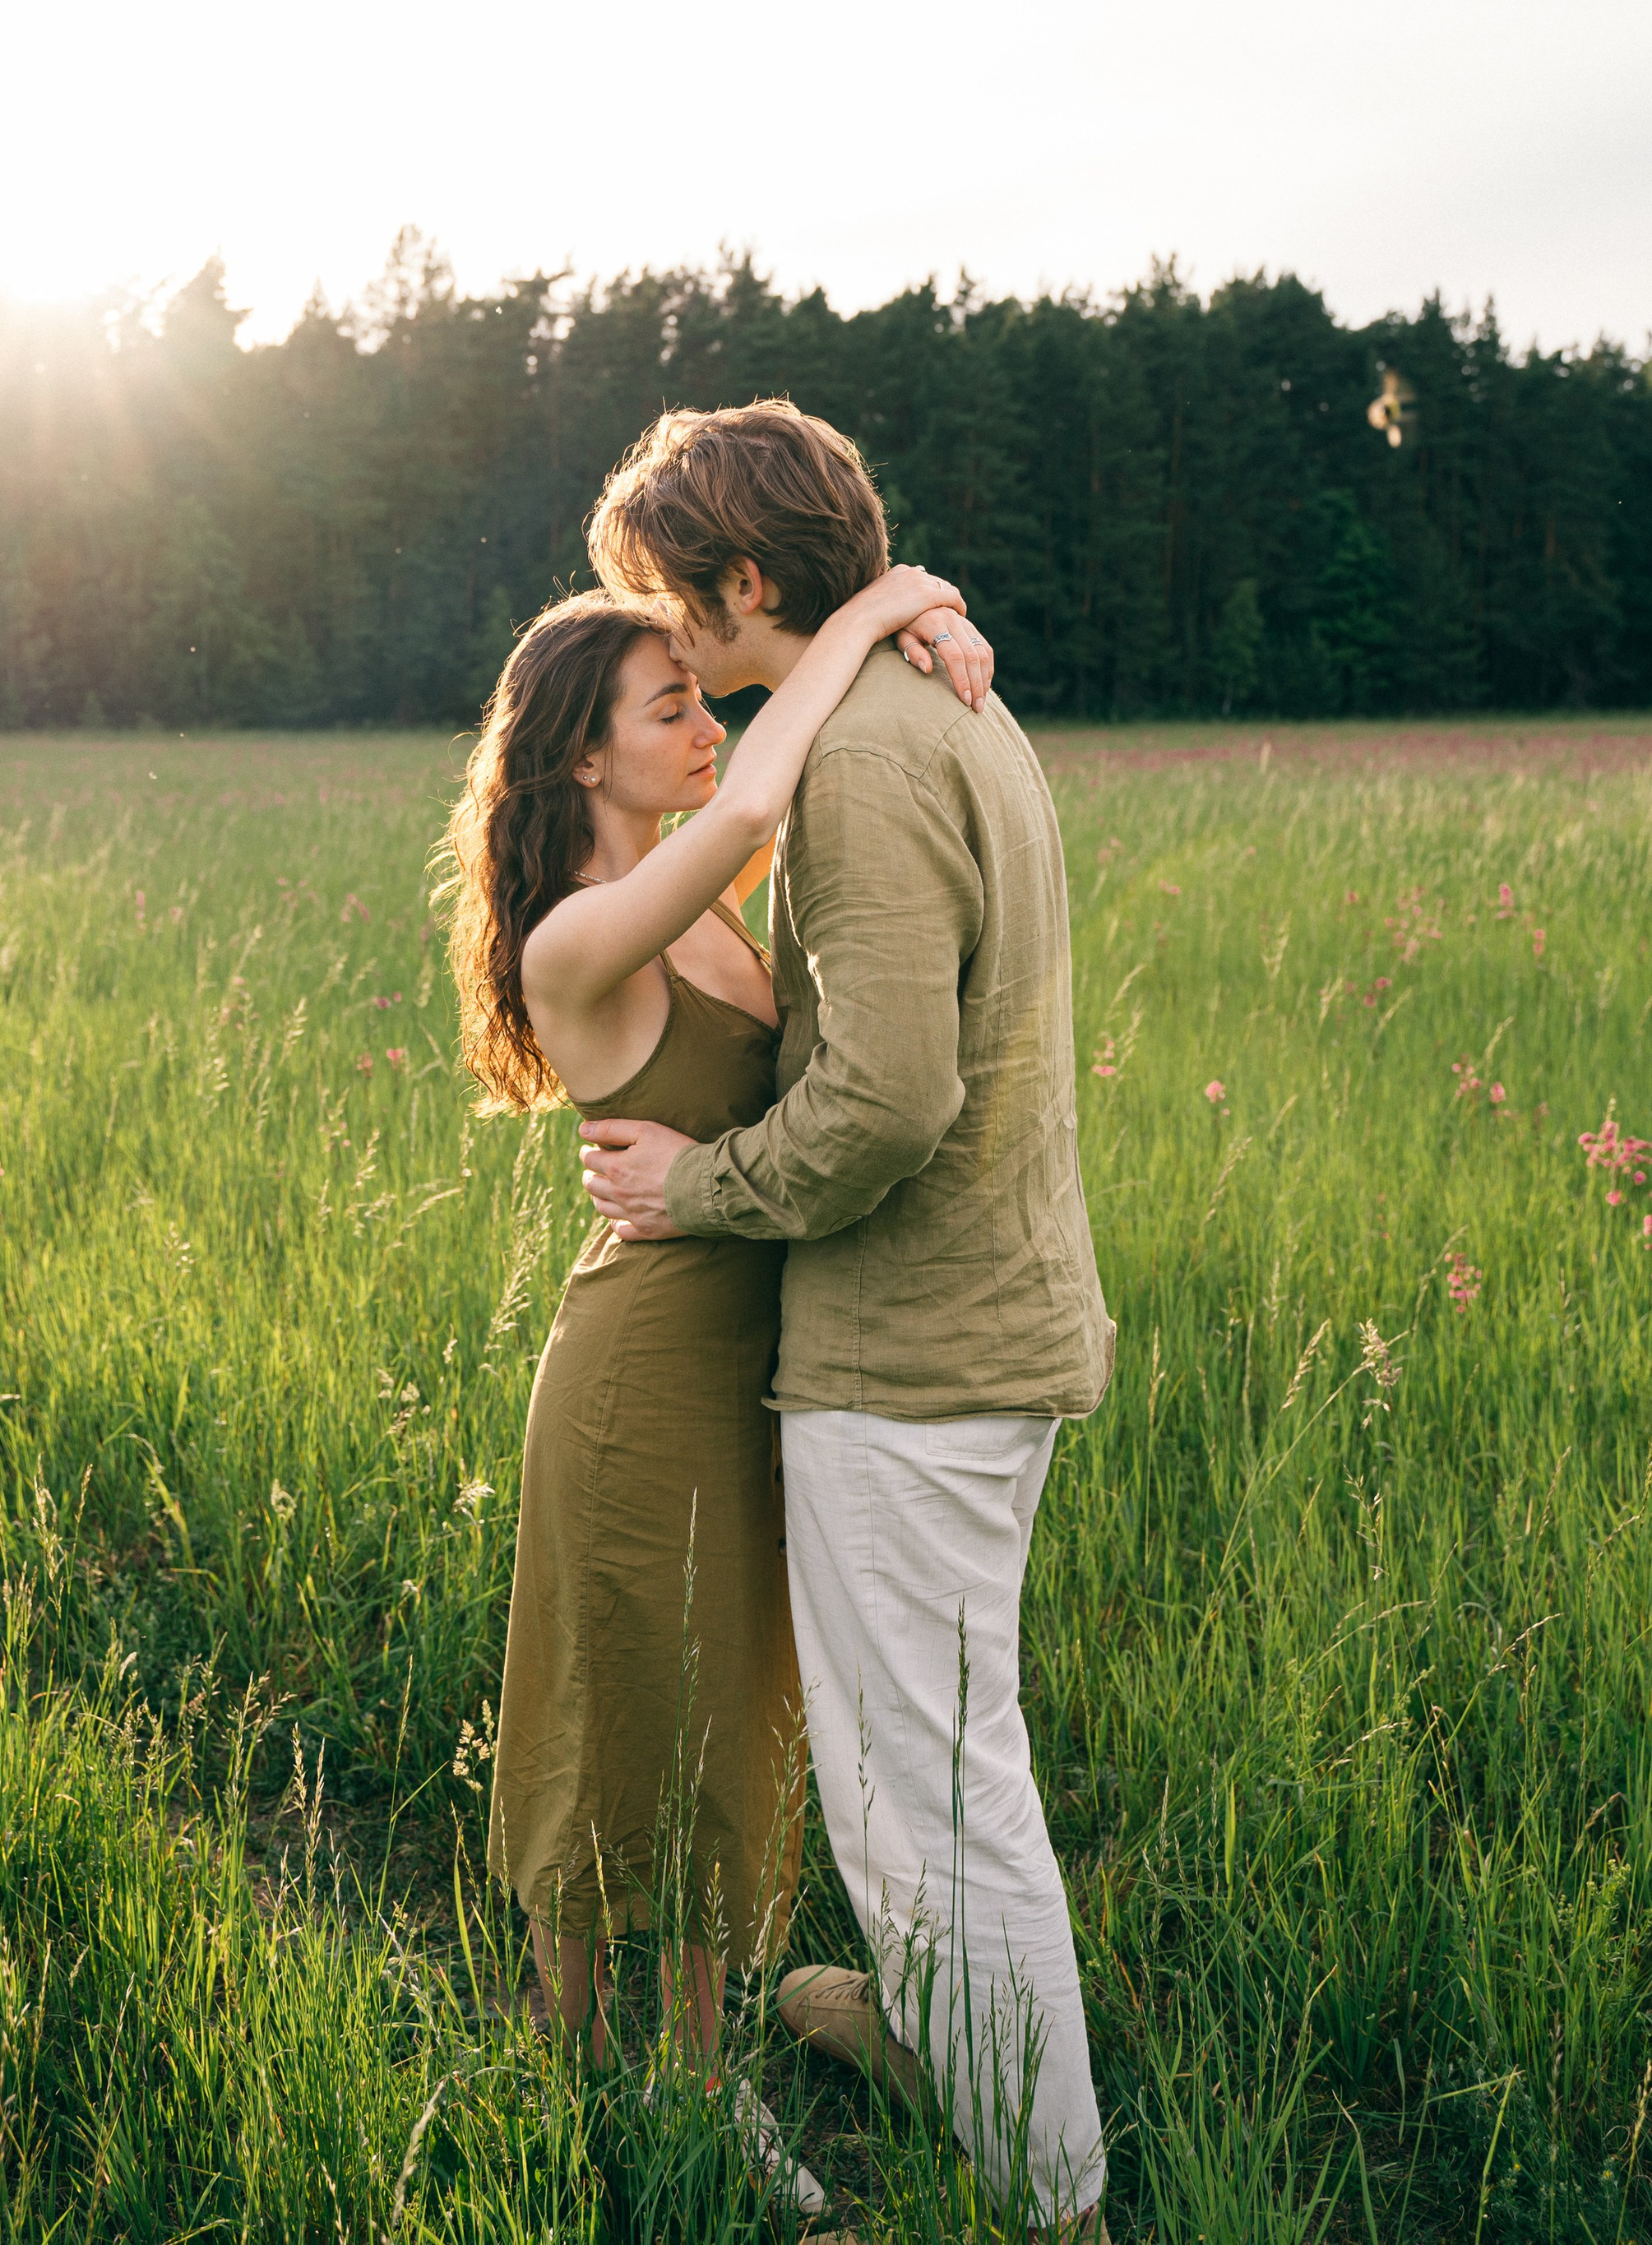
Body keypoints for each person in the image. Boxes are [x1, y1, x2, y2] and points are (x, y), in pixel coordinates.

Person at [579, 399, 1115, 2241]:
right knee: (920, 1754)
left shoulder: (873, 761)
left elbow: (884, 1099)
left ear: (746, 583)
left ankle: (1050, 2196)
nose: (680, 652)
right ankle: (926, 2037)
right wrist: (905, 602)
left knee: (925, 1787)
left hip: (916, 1356)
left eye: (681, 609)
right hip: (970, 1327)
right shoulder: (935, 699)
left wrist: (696, 1190)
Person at [440, 561, 993, 2198]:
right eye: (667, 703)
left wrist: (931, 640)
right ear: (579, 759)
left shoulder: (712, 909)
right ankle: (664, 2102)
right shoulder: (580, 939)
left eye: (702, 691)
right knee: (642, 1722)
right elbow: (760, 793)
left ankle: (638, 2051)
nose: (707, 722)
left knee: (709, 1722)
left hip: (743, 1378)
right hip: (639, 1390)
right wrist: (883, 591)